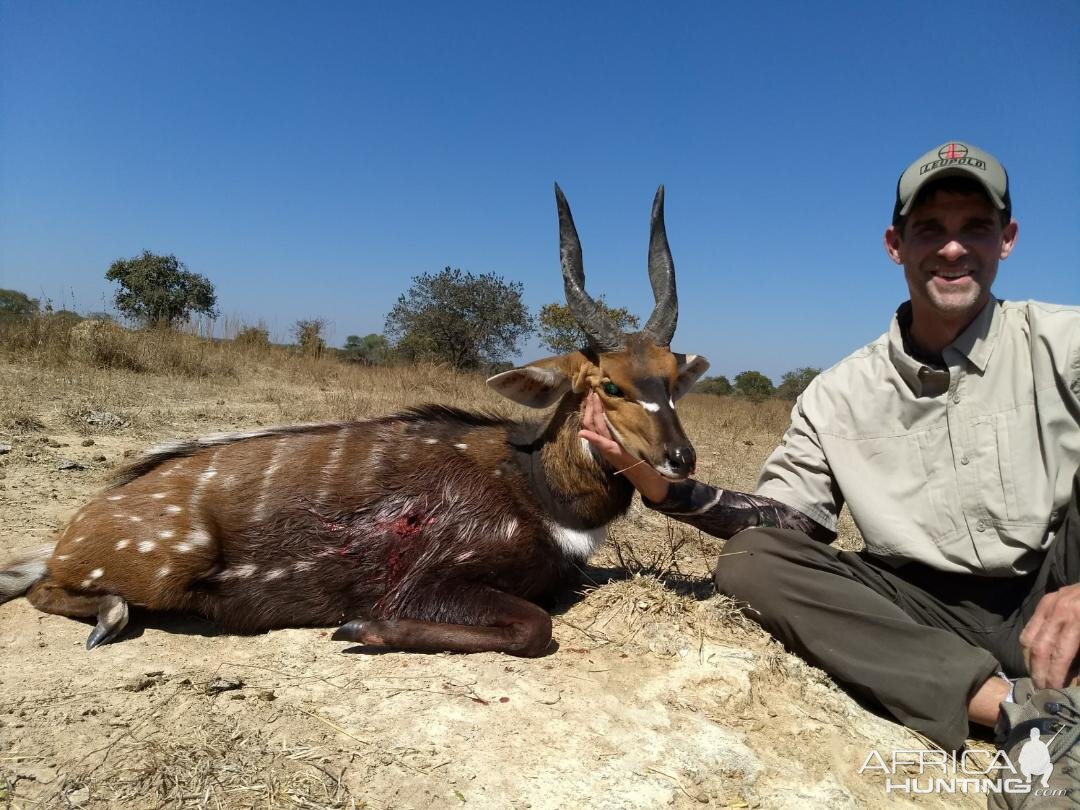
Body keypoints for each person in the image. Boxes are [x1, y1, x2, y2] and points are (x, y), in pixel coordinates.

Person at [579, 142, 1080, 769]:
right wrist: (661, 488)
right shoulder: (837, 392)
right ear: (895, 245)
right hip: (921, 610)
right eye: (929, 229)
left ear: (1005, 239)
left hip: (1059, 585)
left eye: (974, 228)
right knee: (753, 561)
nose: (952, 248)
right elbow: (795, 522)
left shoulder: (1066, 343)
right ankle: (1012, 709)